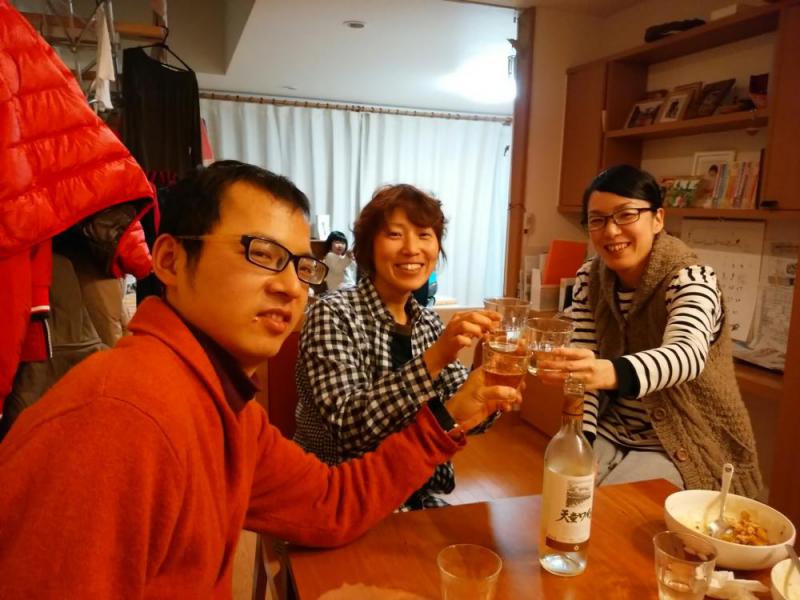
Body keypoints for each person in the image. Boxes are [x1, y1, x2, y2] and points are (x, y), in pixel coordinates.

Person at [0, 162, 521, 598]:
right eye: (262, 254)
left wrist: (459, 411)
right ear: (170, 260)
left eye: (300, 266)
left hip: (404, 507)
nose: (290, 286)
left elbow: (333, 503)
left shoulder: (226, 407)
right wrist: (434, 366)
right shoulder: (117, 417)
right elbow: (346, 426)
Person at [539, 164, 762, 498]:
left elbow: (686, 356)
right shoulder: (589, 279)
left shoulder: (692, 279)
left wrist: (610, 372)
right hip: (611, 430)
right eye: (597, 220)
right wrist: (581, 440)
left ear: (658, 218)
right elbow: (585, 371)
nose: (611, 231)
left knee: (614, 512)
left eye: (626, 215)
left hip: (680, 441)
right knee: (563, 494)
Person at [294, 184, 502, 510]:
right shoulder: (332, 313)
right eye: (394, 234)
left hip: (413, 492)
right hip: (337, 495)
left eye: (424, 235)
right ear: (368, 247)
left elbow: (463, 414)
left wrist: (489, 380)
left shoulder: (428, 324)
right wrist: (435, 358)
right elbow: (347, 427)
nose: (411, 248)